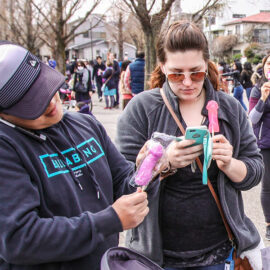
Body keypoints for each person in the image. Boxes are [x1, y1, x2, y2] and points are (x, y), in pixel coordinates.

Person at [116, 21, 264, 269]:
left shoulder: (229, 108)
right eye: (176, 74)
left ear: (207, 64)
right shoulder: (141, 109)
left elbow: (255, 171)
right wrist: (164, 162)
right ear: (162, 67)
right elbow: (121, 185)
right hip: (158, 256)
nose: (187, 82)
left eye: (196, 73)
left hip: (219, 250)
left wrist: (229, 163)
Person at [0, 41, 149, 270]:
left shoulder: (84, 124)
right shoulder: (7, 148)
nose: (50, 103)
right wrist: (109, 221)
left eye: (46, 89)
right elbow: (20, 239)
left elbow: (123, 183)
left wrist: (150, 167)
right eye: (33, 104)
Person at [249, 54, 270, 241]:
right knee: (268, 185)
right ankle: (269, 224)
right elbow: (253, 119)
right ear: (264, 67)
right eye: (269, 64)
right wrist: (263, 98)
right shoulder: (257, 89)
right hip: (266, 144)